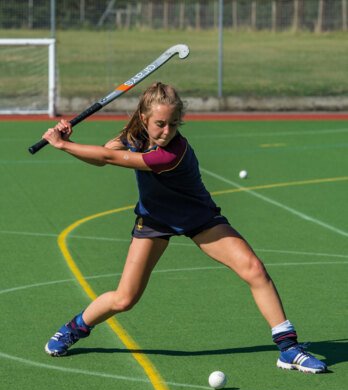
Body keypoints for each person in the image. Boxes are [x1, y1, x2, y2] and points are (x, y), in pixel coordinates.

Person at [43, 82, 326, 374]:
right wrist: (69, 140)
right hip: (154, 220)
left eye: (174, 124)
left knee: (254, 268)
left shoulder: (171, 153)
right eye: (160, 124)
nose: (167, 131)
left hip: (198, 217)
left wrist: (63, 144)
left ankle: (289, 348)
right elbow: (104, 154)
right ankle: (73, 328)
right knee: (125, 298)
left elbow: (108, 158)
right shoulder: (135, 135)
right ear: (144, 119)